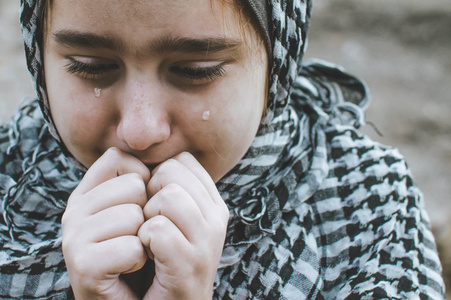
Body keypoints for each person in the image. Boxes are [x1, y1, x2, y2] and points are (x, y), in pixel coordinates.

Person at [0, 0, 445, 298]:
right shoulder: (8, 188)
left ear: (277, 67)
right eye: (91, 67)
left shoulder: (368, 211)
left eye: (196, 70)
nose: (140, 130)